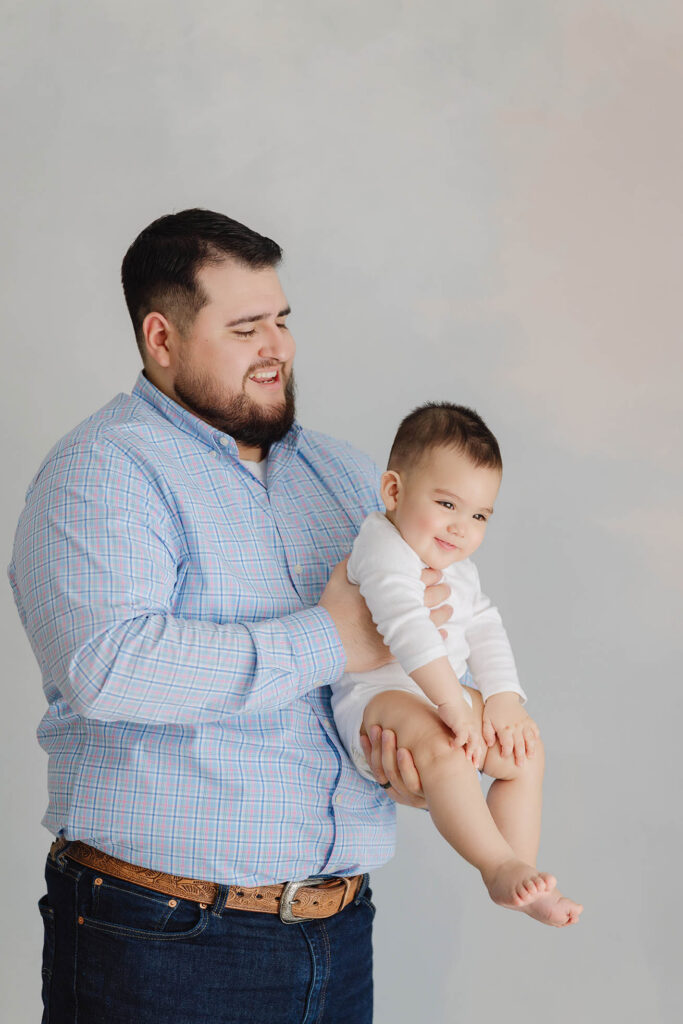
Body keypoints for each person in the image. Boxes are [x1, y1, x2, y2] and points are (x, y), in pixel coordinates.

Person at [8, 208, 452, 1024]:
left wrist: (411, 758)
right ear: (161, 338)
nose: (277, 347)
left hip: (338, 928)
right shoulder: (101, 471)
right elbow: (110, 667)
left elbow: (393, 657)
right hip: (162, 939)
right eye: (246, 328)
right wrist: (330, 638)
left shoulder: (345, 474)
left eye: (281, 320)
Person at [331, 403, 583, 927]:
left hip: (439, 694)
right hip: (378, 698)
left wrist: (503, 699)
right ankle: (495, 866)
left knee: (523, 749)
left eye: (479, 516)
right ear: (394, 492)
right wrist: (454, 704)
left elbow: (484, 624)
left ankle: (520, 869)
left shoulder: (456, 565)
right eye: (447, 503)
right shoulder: (382, 548)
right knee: (445, 747)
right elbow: (407, 628)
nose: (460, 527)